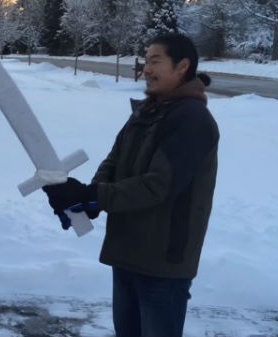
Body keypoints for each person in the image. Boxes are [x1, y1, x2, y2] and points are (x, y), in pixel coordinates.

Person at [42, 33, 219, 337]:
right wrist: (88, 200)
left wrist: (92, 195)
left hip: (163, 263)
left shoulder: (192, 120)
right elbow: (114, 162)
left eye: (155, 61)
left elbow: (157, 186)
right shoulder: (147, 112)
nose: (145, 69)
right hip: (128, 254)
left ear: (182, 66)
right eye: (145, 60)